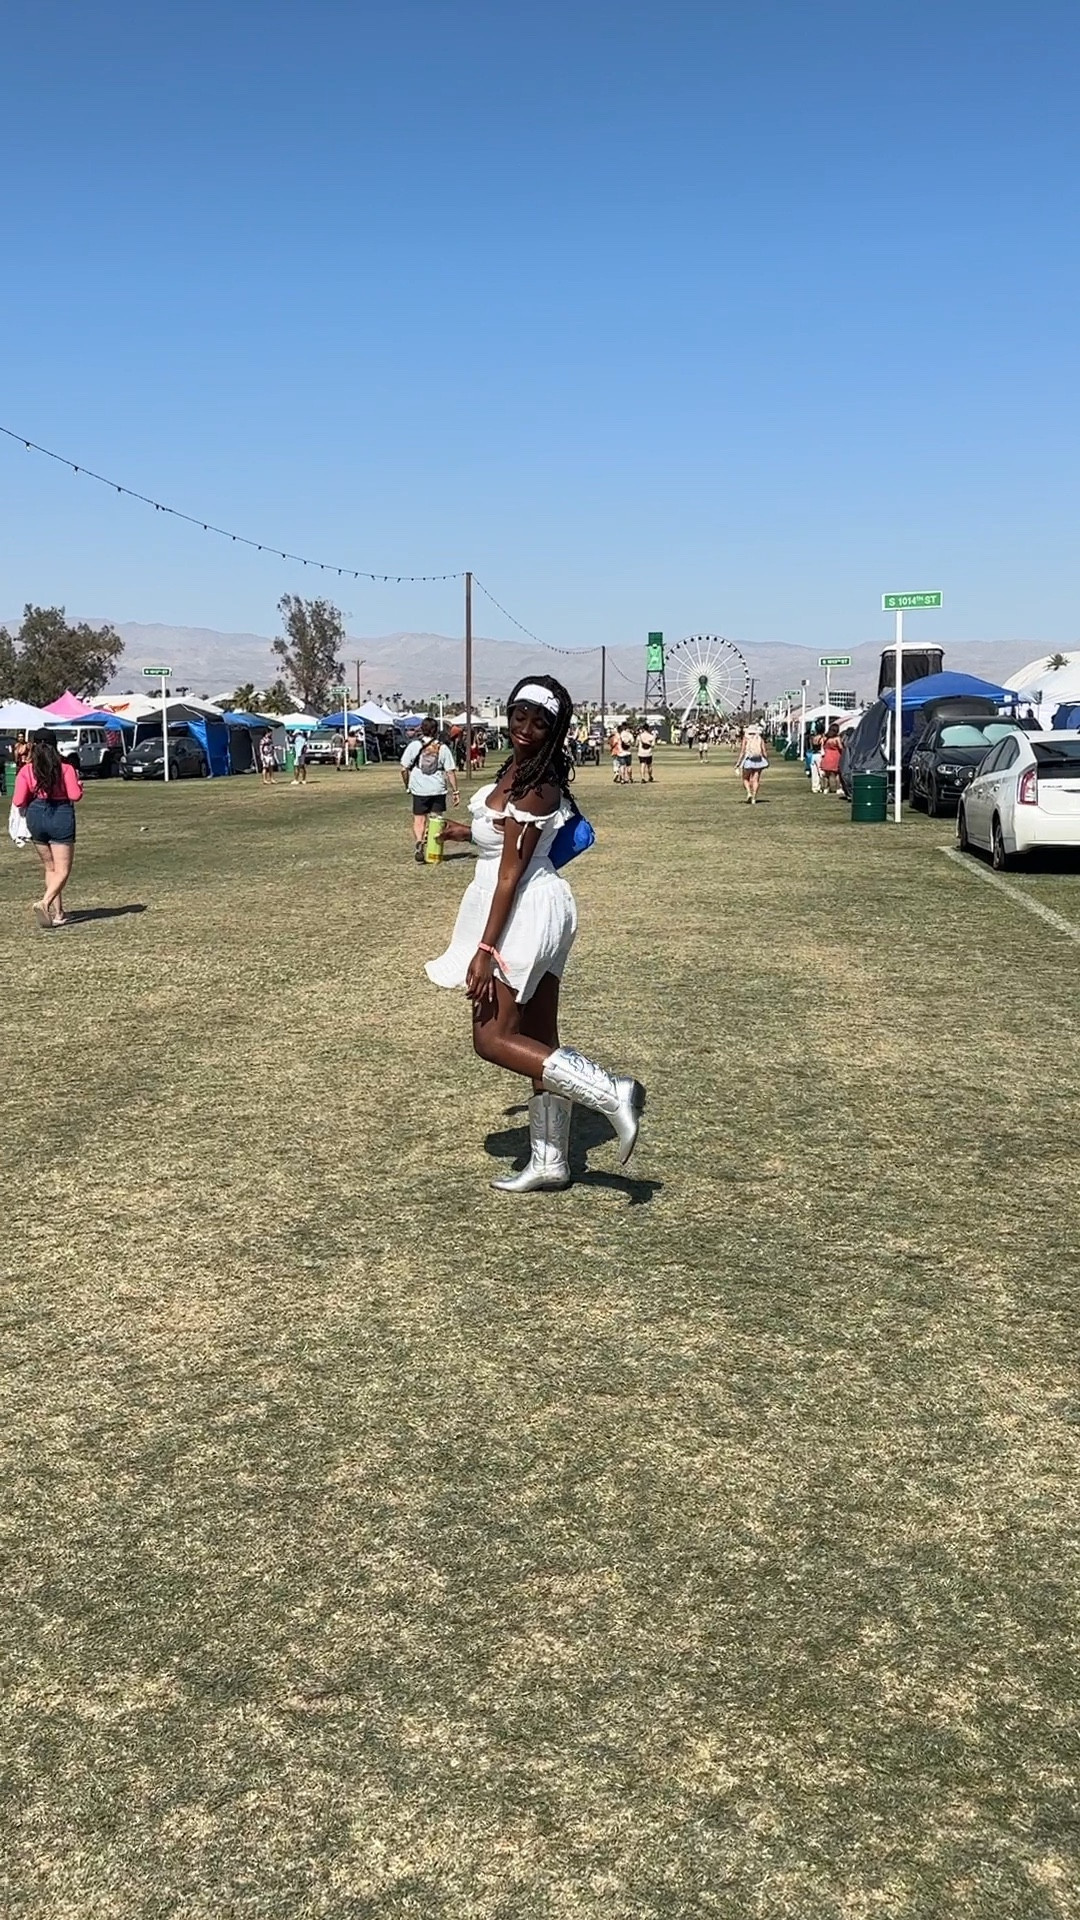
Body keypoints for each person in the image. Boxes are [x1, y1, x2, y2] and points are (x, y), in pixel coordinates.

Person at [427, 675, 645, 1192]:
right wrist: (462, 831)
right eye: (519, 716)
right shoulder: (517, 772)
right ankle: (550, 1162)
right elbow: (500, 843)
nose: (526, 728)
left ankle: (612, 1093)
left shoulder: (538, 784)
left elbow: (510, 873)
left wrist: (484, 949)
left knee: (493, 1037)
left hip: (523, 910)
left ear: (555, 728)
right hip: (534, 904)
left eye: (539, 721)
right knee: (540, 1038)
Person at [13, 731, 83, 929]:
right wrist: (80, 786)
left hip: (36, 816)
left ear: (33, 745)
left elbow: (18, 800)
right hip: (60, 814)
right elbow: (75, 795)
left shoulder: (26, 771)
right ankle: (44, 902)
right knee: (63, 870)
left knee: (50, 868)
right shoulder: (66, 768)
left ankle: (58, 912)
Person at [400, 716, 460, 863]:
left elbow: (403, 768)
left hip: (419, 788)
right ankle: (433, 850)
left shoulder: (414, 746)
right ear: (436, 731)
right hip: (437, 788)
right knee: (436, 819)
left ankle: (419, 842)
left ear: (422, 729)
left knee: (419, 819)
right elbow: (450, 771)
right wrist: (455, 791)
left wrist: (407, 784)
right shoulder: (443, 748)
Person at [737, 722, 769, 804]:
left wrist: (738, 762)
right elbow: (764, 751)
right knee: (756, 780)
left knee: (745, 778)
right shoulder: (759, 738)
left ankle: (749, 793)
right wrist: (766, 759)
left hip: (748, 759)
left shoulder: (746, 738)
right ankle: (754, 797)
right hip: (758, 760)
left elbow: (742, 751)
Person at [820, 721, 843, 795]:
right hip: (835, 756)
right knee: (837, 774)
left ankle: (826, 788)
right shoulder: (836, 739)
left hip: (827, 756)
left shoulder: (825, 738)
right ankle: (838, 788)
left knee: (826, 774)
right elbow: (840, 747)